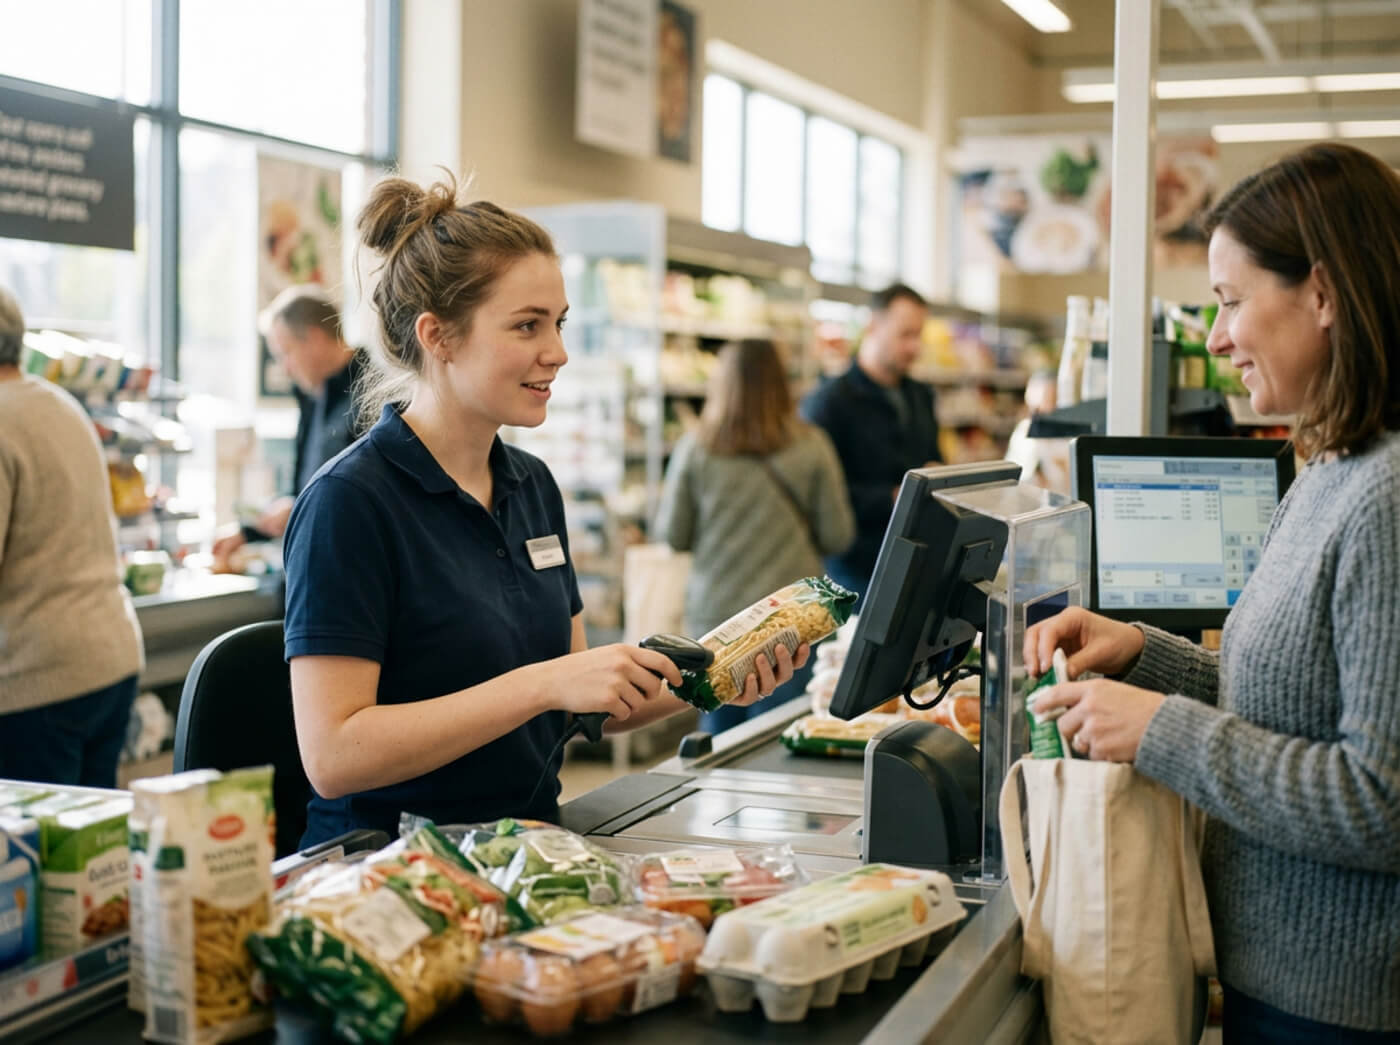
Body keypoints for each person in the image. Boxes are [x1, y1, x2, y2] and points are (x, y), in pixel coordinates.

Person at [282, 175, 807, 846]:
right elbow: (334, 756)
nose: (557, 351)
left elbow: (581, 706)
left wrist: (717, 676)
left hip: (530, 851)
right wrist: (543, 683)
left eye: (558, 323)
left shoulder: (531, 485)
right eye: (528, 324)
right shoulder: (349, 503)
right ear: (437, 335)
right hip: (392, 875)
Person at [1025, 143, 1400, 1041]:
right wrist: (1144, 655)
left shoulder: (1386, 498)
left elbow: (1380, 802)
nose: (1219, 334)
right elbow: (1290, 706)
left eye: (1231, 301)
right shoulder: (1329, 467)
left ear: (1322, 293)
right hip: (1281, 981)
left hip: (1341, 1007)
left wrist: (1161, 731)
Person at [655, 338, 855, 733]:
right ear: (781, 383)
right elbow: (838, 535)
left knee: (718, 744)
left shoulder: (696, 448)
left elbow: (673, 534)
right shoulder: (812, 446)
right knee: (776, 741)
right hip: (790, 623)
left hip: (715, 623)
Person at [0, 286, 144, 788]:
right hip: (109, 657)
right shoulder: (59, 403)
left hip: (38, 679)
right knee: (92, 854)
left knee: (40, 858)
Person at [801, 282, 941, 598]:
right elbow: (818, 496)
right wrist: (894, 496)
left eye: (919, 335)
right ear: (873, 327)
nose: (914, 347)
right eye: (906, 334)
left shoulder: (921, 396)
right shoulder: (828, 403)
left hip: (917, 558)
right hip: (855, 571)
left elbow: (932, 454)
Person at [211, 285, 364, 570]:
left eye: (285, 354)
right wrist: (249, 531)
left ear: (316, 339)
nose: (284, 368)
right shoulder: (312, 398)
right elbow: (302, 492)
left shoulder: (372, 396)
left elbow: (363, 501)